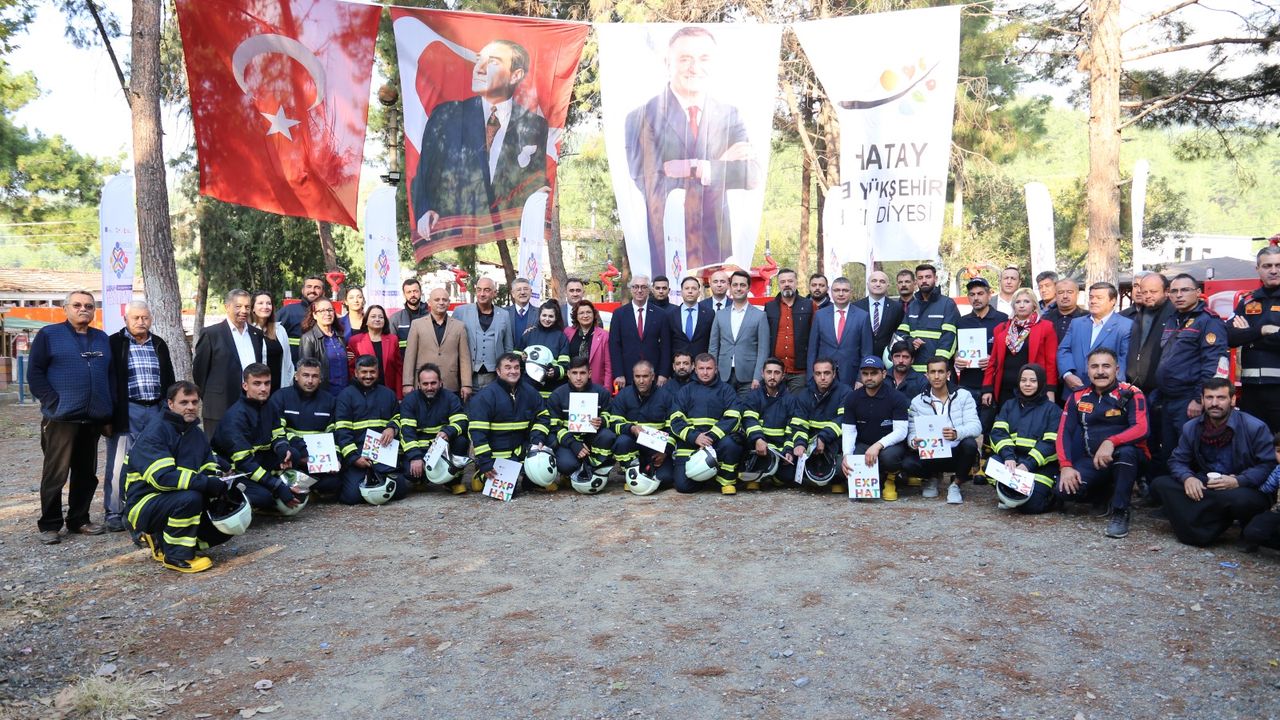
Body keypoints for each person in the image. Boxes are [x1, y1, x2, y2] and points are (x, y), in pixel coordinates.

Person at [625, 26, 761, 272]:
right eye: (685, 59)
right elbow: (652, 185)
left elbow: (751, 175)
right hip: (668, 251)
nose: (695, 67)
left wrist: (697, 167)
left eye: (704, 58)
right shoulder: (643, 117)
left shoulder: (730, 116)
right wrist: (721, 167)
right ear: (668, 63)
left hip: (717, 252)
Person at [411, 39, 548, 245]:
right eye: (478, 60)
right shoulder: (447, 115)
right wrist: (423, 210)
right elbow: (423, 172)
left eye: (492, 62)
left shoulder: (535, 125)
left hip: (506, 236)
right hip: (450, 234)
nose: (479, 69)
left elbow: (534, 180)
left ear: (515, 75)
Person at [29, 289, 114, 543]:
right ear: (65, 308)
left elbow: (110, 375)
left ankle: (79, 519)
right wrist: (53, 401)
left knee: (86, 473)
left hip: (92, 418)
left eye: (88, 305)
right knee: (55, 474)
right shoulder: (49, 335)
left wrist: (108, 410)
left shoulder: (102, 338)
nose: (83, 309)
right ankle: (50, 524)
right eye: (77, 305)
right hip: (61, 418)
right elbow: (35, 372)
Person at [122, 381, 232, 573]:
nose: (191, 407)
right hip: (143, 502)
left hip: (171, 498)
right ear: (170, 403)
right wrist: (206, 484)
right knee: (190, 498)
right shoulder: (156, 432)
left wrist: (217, 482)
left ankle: (162, 540)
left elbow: (208, 464)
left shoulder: (195, 433)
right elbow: (163, 478)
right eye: (184, 402)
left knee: (223, 522)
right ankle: (176, 556)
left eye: (194, 402)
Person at [1151, 379, 1274, 546]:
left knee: (1242, 501)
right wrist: (1187, 478)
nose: (1214, 403)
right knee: (1160, 484)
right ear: (1202, 400)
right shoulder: (1192, 427)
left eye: (1221, 398)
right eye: (1209, 397)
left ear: (1232, 400)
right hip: (1207, 485)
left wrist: (1238, 480)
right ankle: (1204, 520)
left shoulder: (1255, 427)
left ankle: (1203, 518)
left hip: (1240, 487)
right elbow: (1177, 460)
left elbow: (1268, 465)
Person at [1056, 347, 1149, 538]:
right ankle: (1105, 492)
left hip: (1129, 460)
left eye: (1106, 366)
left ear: (1117, 369)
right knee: (1063, 491)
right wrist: (1065, 466)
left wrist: (1111, 442)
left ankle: (1120, 512)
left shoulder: (1132, 393)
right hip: (1093, 460)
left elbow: (1142, 428)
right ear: (1087, 370)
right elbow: (1064, 433)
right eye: (1094, 366)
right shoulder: (1077, 396)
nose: (1100, 372)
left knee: (1126, 453)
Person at [104, 301, 175, 532]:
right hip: (127, 410)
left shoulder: (159, 343)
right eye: (135, 318)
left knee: (154, 459)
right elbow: (107, 380)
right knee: (118, 463)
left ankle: (145, 508)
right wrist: (109, 415)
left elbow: (169, 378)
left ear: (151, 319)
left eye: (145, 317)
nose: (141, 322)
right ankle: (114, 512)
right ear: (126, 320)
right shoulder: (114, 343)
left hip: (156, 409)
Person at [1151, 274, 1229, 476]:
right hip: (1168, 398)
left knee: (1189, 451)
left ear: (1198, 292)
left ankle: (1193, 490)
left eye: (1185, 290)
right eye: (1174, 291)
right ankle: (1171, 491)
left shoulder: (1208, 321)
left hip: (1188, 399)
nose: (1179, 295)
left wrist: (1198, 398)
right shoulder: (1173, 319)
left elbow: (1213, 364)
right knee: (1170, 451)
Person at [211, 364, 304, 511]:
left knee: (293, 453)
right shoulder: (235, 417)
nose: (263, 388)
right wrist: (277, 486)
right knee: (263, 498)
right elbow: (244, 463)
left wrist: (282, 449)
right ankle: (229, 496)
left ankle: (274, 488)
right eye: (257, 383)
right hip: (235, 471)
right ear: (245, 386)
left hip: (258, 460)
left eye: (267, 383)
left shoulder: (269, 405)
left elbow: (278, 433)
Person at [467, 352, 550, 492]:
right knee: (508, 493)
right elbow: (478, 433)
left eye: (516, 367)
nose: (513, 371)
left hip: (520, 451)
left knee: (548, 449)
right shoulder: (485, 397)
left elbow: (543, 416)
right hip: (496, 456)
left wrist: (537, 439)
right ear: (498, 371)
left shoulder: (530, 392)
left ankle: (531, 480)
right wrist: (485, 462)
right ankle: (481, 474)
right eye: (508, 367)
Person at [903, 356, 981, 504]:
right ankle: (932, 477)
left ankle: (956, 484)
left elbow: (976, 426)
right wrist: (913, 442)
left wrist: (957, 433)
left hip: (956, 451)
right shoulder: (917, 402)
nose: (937, 376)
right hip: (932, 453)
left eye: (940, 371)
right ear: (926, 375)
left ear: (948, 374)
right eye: (932, 372)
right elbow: (912, 431)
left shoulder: (963, 395)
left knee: (970, 445)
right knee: (907, 463)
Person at [988, 364, 1061, 514]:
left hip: (1039, 466)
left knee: (1031, 506)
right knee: (991, 464)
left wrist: (1027, 464)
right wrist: (1008, 457)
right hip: (1013, 461)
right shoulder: (1009, 405)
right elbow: (998, 433)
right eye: (1023, 380)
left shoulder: (1052, 410)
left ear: (1041, 383)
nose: (1027, 384)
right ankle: (1011, 496)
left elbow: (1051, 444)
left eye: (1033, 381)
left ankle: (1053, 499)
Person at [335, 355, 407, 505]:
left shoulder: (388, 394)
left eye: (372, 372)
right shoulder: (345, 396)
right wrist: (354, 458)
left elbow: (398, 417)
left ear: (378, 372)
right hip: (358, 457)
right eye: (364, 372)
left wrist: (392, 428)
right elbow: (342, 432)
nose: (368, 376)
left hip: (383, 455)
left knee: (400, 490)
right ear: (356, 373)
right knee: (352, 497)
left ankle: (374, 481)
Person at [193, 289, 264, 437]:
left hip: (250, 405)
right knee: (218, 449)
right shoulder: (211, 334)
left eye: (247, 307)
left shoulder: (256, 334)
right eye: (238, 306)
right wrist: (210, 397)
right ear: (227, 307)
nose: (243, 311)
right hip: (219, 407)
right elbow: (199, 372)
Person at [670, 354, 743, 494]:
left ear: (716, 369)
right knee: (683, 487)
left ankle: (726, 482)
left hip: (716, 442)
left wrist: (710, 437)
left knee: (731, 444)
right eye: (701, 368)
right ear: (695, 369)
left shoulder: (726, 390)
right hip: (690, 444)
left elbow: (733, 417)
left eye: (709, 368)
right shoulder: (685, 391)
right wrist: (695, 437)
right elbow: (675, 419)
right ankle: (708, 478)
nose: (705, 372)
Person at [840, 357, 910, 502]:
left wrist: (878, 446)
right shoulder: (852, 398)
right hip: (863, 444)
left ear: (884, 374)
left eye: (874, 373)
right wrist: (847, 455)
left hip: (890, 446)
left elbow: (901, 431)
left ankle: (890, 479)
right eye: (865, 374)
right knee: (842, 466)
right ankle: (874, 480)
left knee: (889, 458)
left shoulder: (897, 397)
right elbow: (849, 430)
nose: (869, 377)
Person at [266, 359, 340, 497]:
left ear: (320, 379)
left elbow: (333, 433)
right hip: (293, 457)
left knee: (333, 483)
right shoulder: (281, 397)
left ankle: (306, 487)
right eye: (305, 375)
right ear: (296, 376)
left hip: (319, 461)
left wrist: (335, 459)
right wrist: (301, 452)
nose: (310, 381)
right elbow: (277, 430)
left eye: (315, 376)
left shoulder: (329, 400)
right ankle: (302, 487)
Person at [1228, 245, 1280, 433]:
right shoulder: (1248, 301)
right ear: (1258, 269)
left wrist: (1249, 336)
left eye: (1278, 265)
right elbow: (1230, 336)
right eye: (1267, 266)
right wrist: (1262, 330)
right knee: (1252, 441)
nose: (1273, 270)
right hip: (1251, 390)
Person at [400, 363, 470, 495]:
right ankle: (421, 480)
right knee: (410, 472)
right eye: (425, 384)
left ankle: (453, 482)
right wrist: (415, 457)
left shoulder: (450, 398)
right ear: (418, 384)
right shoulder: (409, 401)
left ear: (440, 382)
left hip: (443, 447)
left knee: (461, 441)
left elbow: (462, 421)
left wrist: (448, 432)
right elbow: (407, 432)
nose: (429, 387)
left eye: (433, 383)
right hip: (420, 448)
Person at [608, 360, 677, 492]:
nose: (641, 381)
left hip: (656, 450)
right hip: (633, 446)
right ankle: (630, 474)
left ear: (653, 377)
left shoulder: (666, 396)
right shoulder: (623, 395)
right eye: (637, 376)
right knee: (622, 441)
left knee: (666, 479)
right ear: (633, 377)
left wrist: (665, 452)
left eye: (645, 376)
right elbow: (614, 423)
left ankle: (649, 471)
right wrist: (631, 428)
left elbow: (673, 427)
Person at [982, 288, 1058, 408]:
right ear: (1013, 305)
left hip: (1033, 388)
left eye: (1026, 301)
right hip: (1005, 388)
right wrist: (987, 388)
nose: (1021, 305)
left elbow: (1051, 362)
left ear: (1034, 305)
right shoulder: (1001, 328)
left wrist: (1050, 389)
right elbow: (993, 361)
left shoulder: (1046, 327)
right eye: (1018, 302)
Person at [548, 356, 617, 485]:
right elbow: (555, 427)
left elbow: (610, 415)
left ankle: (596, 469)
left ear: (589, 373)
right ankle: (572, 472)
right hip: (569, 441)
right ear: (568, 374)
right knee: (567, 465)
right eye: (574, 373)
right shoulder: (557, 395)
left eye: (582, 373)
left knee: (608, 436)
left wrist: (602, 421)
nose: (578, 378)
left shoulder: (602, 393)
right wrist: (573, 443)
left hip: (593, 438)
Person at [791, 357, 854, 494]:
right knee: (787, 470)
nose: (822, 377)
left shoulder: (845, 392)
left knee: (842, 468)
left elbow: (843, 420)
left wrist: (823, 438)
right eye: (818, 373)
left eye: (827, 373)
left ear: (834, 374)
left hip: (835, 442)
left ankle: (837, 479)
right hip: (810, 443)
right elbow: (799, 423)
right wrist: (800, 443)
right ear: (813, 375)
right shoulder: (804, 394)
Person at [954, 277, 1007, 438]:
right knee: (968, 430)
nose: (976, 298)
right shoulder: (962, 322)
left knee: (990, 431)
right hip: (967, 383)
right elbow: (955, 350)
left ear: (989, 295)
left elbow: (1010, 351)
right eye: (972, 294)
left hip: (994, 385)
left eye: (980, 293)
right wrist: (957, 359)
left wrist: (994, 359)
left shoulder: (1003, 319)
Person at [1057, 282, 1132, 394]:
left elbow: (1124, 360)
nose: (1093, 301)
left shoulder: (1125, 326)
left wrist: (1110, 388)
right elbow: (1063, 350)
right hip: (1074, 390)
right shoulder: (1077, 323)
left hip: (1108, 393)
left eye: (1099, 298)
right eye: (1091, 297)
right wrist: (1067, 374)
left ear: (1112, 301)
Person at [740, 358, 803, 488]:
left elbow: (792, 428)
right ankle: (760, 474)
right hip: (758, 447)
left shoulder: (790, 400)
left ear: (783, 375)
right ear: (762, 374)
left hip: (780, 450)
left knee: (787, 476)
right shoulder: (754, 396)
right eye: (769, 372)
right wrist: (758, 439)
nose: (772, 377)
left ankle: (770, 475)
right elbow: (749, 420)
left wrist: (788, 451)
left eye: (777, 373)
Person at [403, 287, 473, 399]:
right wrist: (407, 383)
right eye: (437, 300)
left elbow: (464, 358)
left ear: (449, 303)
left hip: (450, 384)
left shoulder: (459, 326)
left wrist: (466, 384)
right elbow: (410, 357)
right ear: (429, 302)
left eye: (444, 300)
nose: (441, 302)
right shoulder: (417, 325)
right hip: (424, 384)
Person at [709, 269, 769, 395]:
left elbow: (763, 350)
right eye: (735, 285)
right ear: (730, 287)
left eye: (742, 285)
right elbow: (713, 347)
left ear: (748, 288)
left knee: (746, 407)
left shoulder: (760, 316)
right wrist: (712, 372)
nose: (738, 288)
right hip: (723, 375)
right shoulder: (720, 315)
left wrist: (758, 377)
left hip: (749, 377)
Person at [453, 276, 515, 393]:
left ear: (494, 293)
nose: (482, 294)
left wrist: (507, 373)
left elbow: (508, 347)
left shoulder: (504, 315)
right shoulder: (460, 312)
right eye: (479, 290)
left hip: (494, 376)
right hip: (469, 375)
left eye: (487, 290)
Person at [807, 277, 873, 385]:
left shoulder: (862, 316)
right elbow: (812, 350)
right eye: (837, 290)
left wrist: (861, 379)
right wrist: (811, 377)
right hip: (823, 374)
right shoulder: (820, 315)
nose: (841, 294)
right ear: (831, 292)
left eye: (845, 290)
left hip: (850, 374)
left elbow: (866, 352)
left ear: (851, 292)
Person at [896, 264, 960, 373]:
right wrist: (911, 341)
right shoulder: (912, 306)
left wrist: (937, 366)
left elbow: (950, 337)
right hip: (914, 372)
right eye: (920, 278)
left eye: (928, 277)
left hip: (939, 372)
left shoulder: (947, 304)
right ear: (916, 281)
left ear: (935, 278)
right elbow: (901, 333)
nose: (924, 281)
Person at [609, 275, 671, 387]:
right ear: (631, 289)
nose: (639, 290)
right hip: (627, 375)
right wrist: (619, 373)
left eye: (643, 287)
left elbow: (666, 346)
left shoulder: (661, 315)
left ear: (649, 290)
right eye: (635, 287)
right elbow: (614, 346)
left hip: (654, 375)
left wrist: (663, 373)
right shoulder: (619, 314)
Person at [764, 268, 815, 393]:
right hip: (775, 370)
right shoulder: (769, 307)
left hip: (799, 371)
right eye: (783, 282)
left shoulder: (809, 305)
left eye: (790, 281)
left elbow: (815, 337)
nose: (786, 284)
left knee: (797, 403)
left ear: (796, 282)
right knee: (775, 402)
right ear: (779, 284)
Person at [347, 305, 403, 400]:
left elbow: (398, 369)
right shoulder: (355, 341)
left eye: (381, 317)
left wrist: (399, 395)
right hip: (363, 393)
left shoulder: (393, 339)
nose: (377, 319)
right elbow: (351, 370)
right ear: (366, 320)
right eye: (373, 316)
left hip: (388, 391)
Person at [519, 300, 570, 399]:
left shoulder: (561, 337)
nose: (547, 319)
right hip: (528, 388)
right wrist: (521, 359)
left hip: (552, 390)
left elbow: (565, 365)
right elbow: (515, 357)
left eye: (551, 316)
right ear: (539, 316)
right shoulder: (528, 334)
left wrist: (555, 372)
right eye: (544, 315)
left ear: (556, 318)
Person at [298, 298, 348, 396]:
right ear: (314, 315)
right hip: (323, 394)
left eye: (330, 310)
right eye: (322, 311)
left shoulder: (339, 336)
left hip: (344, 393)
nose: (327, 314)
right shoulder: (308, 338)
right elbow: (306, 370)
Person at [854, 270, 904, 360]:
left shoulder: (897, 308)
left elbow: (899, 333)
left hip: (887, 359)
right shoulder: (856, 307)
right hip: (861, 358)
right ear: (867, 284)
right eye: (874, 281)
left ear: (888, 286)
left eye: (882, 281)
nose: (878, 284)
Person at [1241, 437, 1280, 553]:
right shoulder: (1278, 470)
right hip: (1277, 511)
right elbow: (1266, 488)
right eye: (1279, 451)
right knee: (1253, 532)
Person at [250, 291, 295, 392]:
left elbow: (288, 362)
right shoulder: (247, 331)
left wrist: (288, 386)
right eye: (260, 303)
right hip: (256, 389)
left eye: (269, 303)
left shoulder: (280, 330)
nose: (265, 306)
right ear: (253, 308)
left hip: (278, 387)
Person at [276, 275, 326, 360]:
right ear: (303, 290)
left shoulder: (328, 313)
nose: (312, 290)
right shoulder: (288, 312)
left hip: (322, 364)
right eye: (309, 287)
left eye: (317, 287)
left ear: (323, 292)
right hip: (294, 365)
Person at [565, 300, 612, 388]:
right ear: (576, 316)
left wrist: (606, 389)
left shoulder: (604, 336)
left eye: (588, 312)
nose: (585, 315)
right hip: (571, 384)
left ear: (594, 314)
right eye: (581, 313)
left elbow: (608, 366)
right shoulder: (567, 332)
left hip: (595, 385)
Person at [670, 275, 714, 368]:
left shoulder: (709, 314)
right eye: (687, 288)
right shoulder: (671, 315)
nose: (690, 291)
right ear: (681, 292)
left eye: (694, 288)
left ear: (699, 293)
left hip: (702, 366)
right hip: (679, 367)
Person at [389, 278, 429, 355]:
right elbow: (391, 347)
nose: (412, 295)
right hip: (404, 360)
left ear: (420, 292)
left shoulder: (431, 317)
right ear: (404, 295)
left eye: (415, 291)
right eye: (409, 292)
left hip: (427, 360)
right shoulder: (395, 319)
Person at [1044, 278, 1088, 343]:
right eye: (1060, 292)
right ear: (1055, 295)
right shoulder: (1045, 318)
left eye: (1070, 292)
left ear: (1077, 295)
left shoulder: (1088, 317)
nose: (1065, 296)